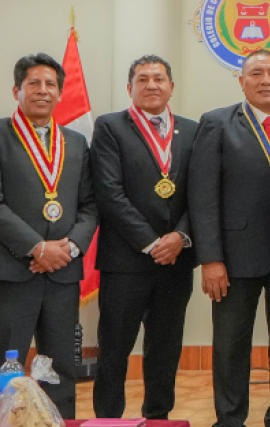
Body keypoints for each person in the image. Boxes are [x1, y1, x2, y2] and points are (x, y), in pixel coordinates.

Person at [189, 50, 270, 427]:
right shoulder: (216, 123)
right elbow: (202, 196)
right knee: (229, 346)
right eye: (256, 73)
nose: (265, 80)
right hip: (234, 259)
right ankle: (230, 420)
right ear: (242, 81)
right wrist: (210, 258)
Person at [0, 53, 97, 419]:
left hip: (63, 272)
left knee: (60, 366)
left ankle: (58, 422)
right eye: (34, 83)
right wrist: (36, 247)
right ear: (17, 90)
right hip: (11, 271)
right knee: (5, 365)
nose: (43, 91)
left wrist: (69, 248)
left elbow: (91, 205)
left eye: (51, 84)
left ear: (61, 93)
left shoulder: (76, 142)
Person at [91, 55, 198, 420]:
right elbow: (109, 193)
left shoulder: (193, 130)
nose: (151, 84)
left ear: (171, 86)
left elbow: (200, 195)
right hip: (126, 261)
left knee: (165, 349)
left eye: (159, 78)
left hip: (176, 261)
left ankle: (158, 417)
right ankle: (108, 419)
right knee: (114, 351)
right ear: (129, 88)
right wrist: (153, 243)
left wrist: (180, 237)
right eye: (142, 79)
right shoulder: (110, 127)